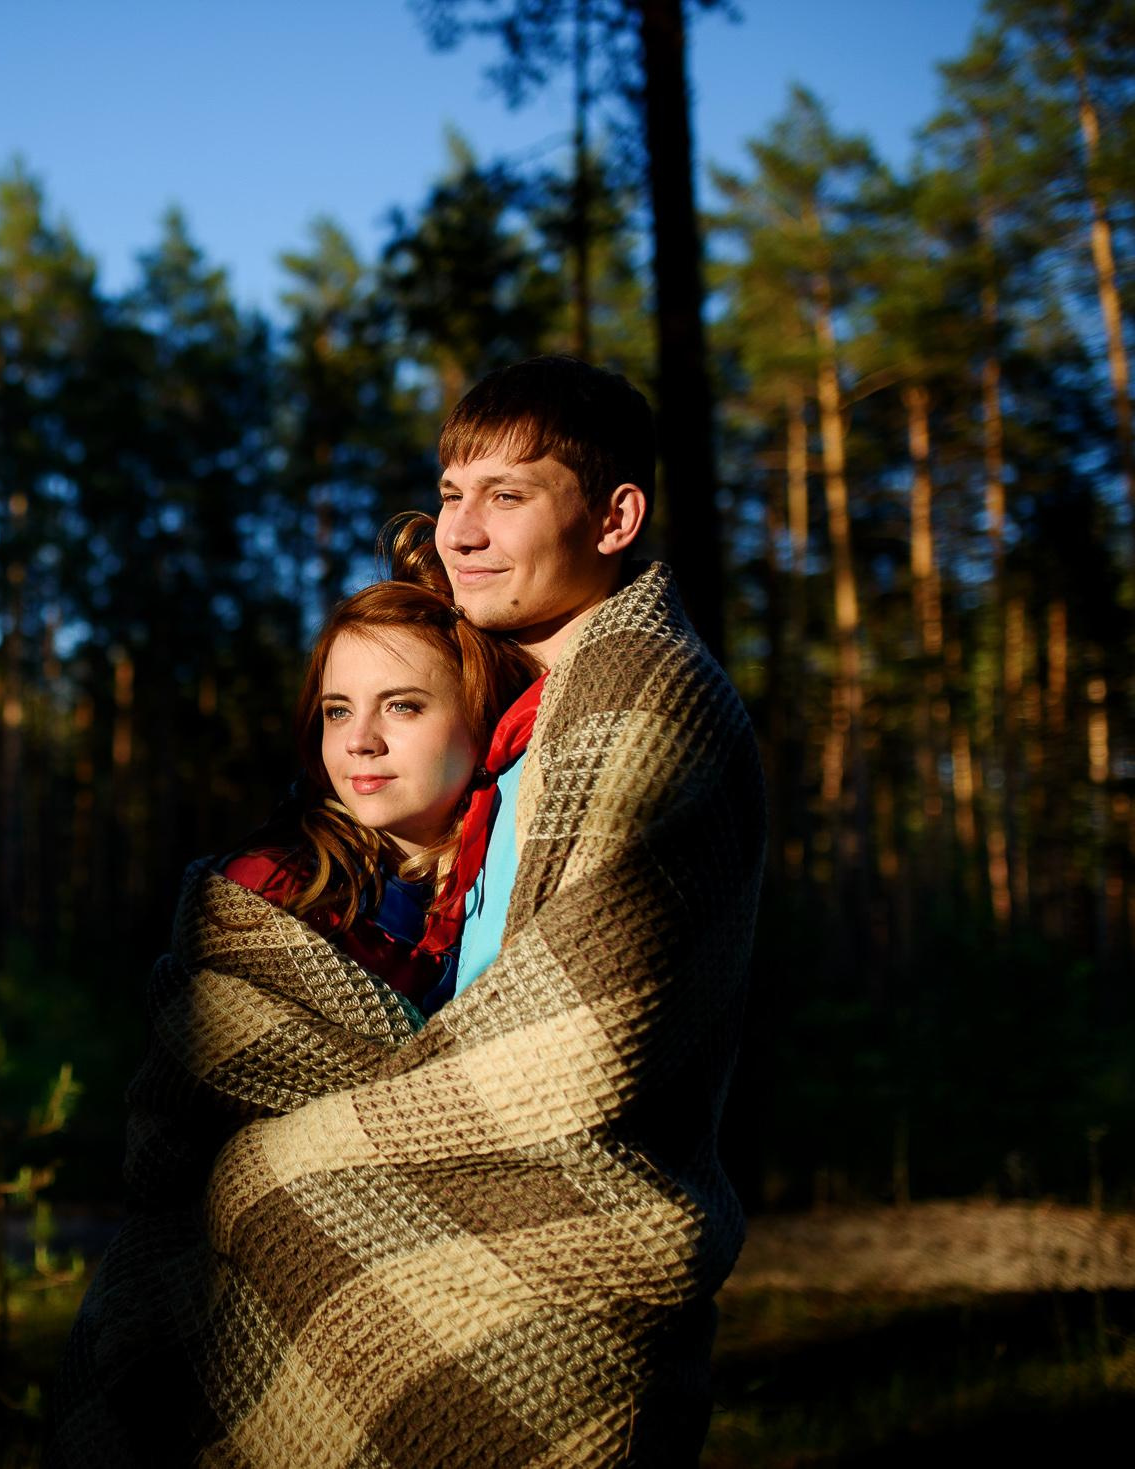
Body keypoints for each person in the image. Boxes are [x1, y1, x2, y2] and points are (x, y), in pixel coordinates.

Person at [48, 356, 765, 1468]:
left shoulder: (642, 693)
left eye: (506, 495)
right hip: (450, 1208)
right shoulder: (520, 722)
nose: (458, 531)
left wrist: (284, 1163)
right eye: (449, 493)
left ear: (616, 518)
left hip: (558, 1248)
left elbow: (578, 1040)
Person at [216, 519, 539, 1017]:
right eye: (338, 711)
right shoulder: (273, 890)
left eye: (401, 706)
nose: (359, 742)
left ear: (482, 718)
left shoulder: (524, 860)